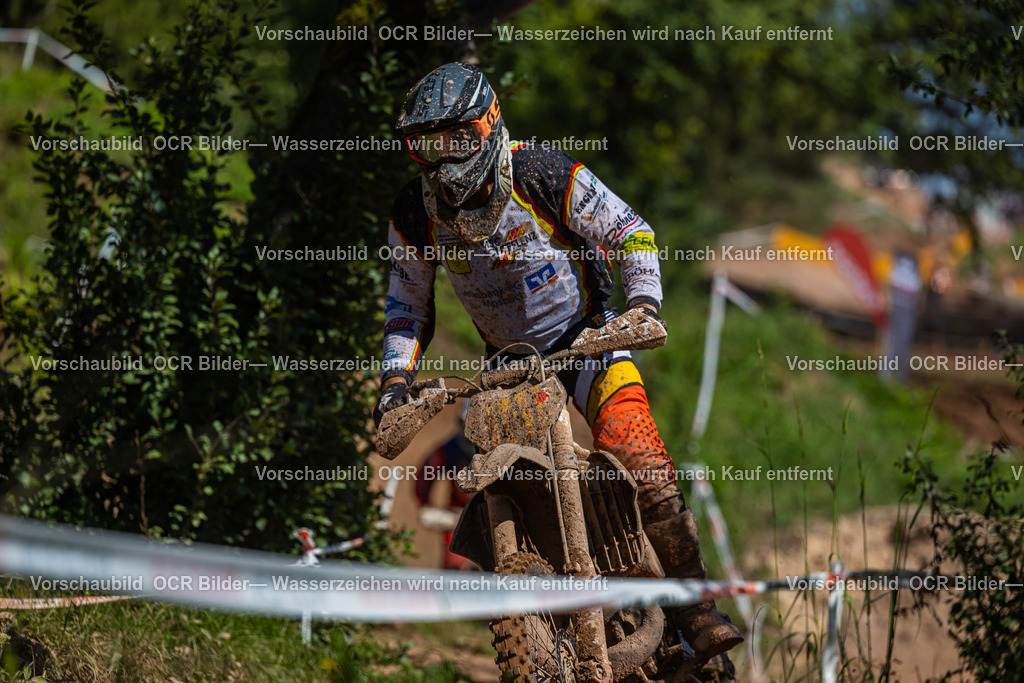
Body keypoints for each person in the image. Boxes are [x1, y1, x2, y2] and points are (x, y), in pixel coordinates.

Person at [373, 62, 742, 665]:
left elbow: (631, 231)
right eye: (427, 145)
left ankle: (696, 610)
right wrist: (394, 383)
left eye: (457, 140)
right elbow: (406, 306)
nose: (444, 159)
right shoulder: (414, 212)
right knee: (500, 478)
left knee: (641, 457)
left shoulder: (543, 172)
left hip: (589, 341)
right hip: (508, 366)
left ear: (488, 127)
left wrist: (643, 304)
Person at [413, 402, 476, 571]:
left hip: (497, 511)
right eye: (467, 427)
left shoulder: (504, 450)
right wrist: (425, 502)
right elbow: (425, 474)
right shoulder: (451, 449)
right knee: (454, 563)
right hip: (458, 514)